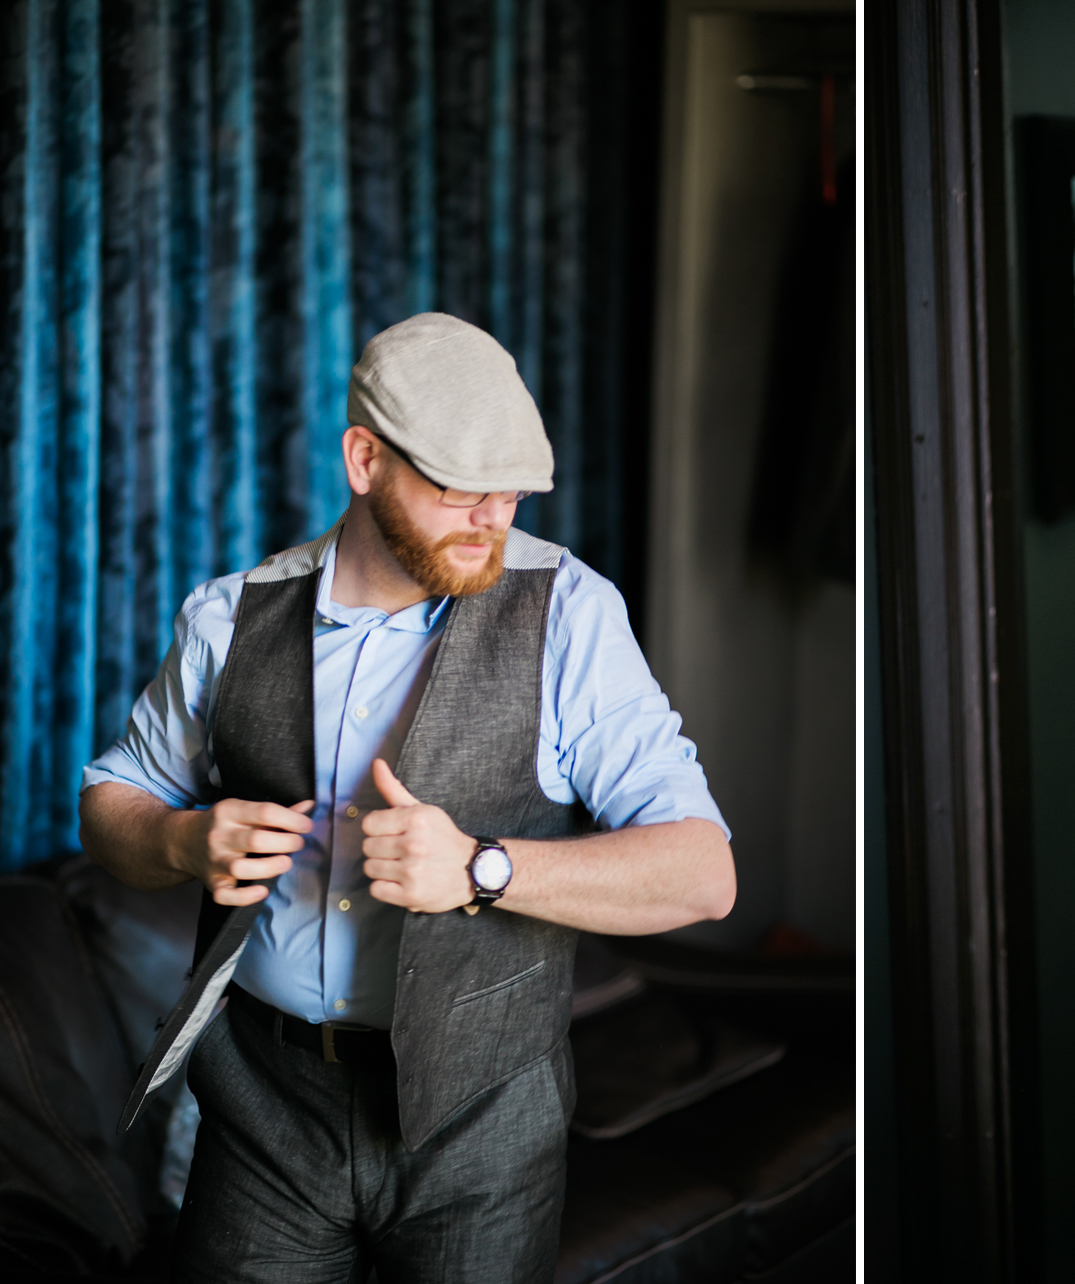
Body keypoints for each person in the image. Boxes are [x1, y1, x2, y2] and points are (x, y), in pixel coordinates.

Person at [79, 312, 736, 1283]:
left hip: (484, 1126)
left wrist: (482, 868)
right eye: (460, 491)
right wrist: (182, 840)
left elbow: (703, 874)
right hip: (260, 1112)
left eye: (511, 494)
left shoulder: (571, 616)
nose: (493, 522)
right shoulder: (228, 616)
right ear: (363, 460)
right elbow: (110, 802)